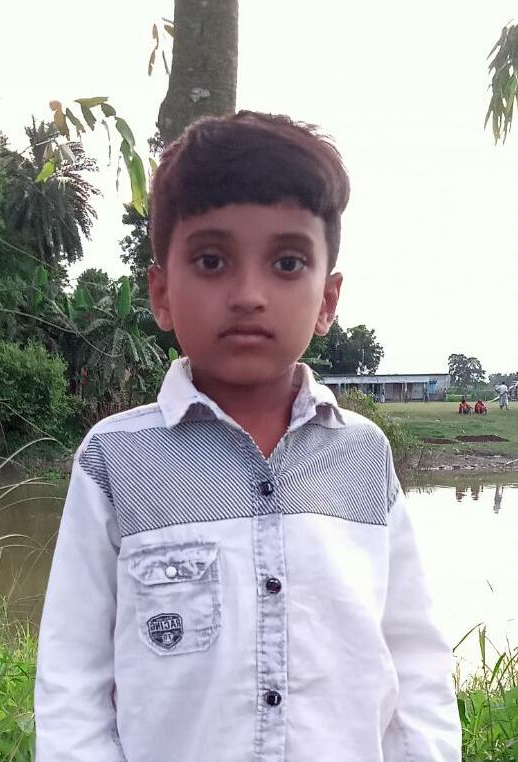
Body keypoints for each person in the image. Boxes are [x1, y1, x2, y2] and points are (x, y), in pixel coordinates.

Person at [35, 111, 461, 762]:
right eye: (211, 260)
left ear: (327, 300)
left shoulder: (363, 456)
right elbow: (72, 683)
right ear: (161, 293)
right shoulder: (114, 461)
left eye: (287, 262)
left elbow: (414, 662)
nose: (248, 294)